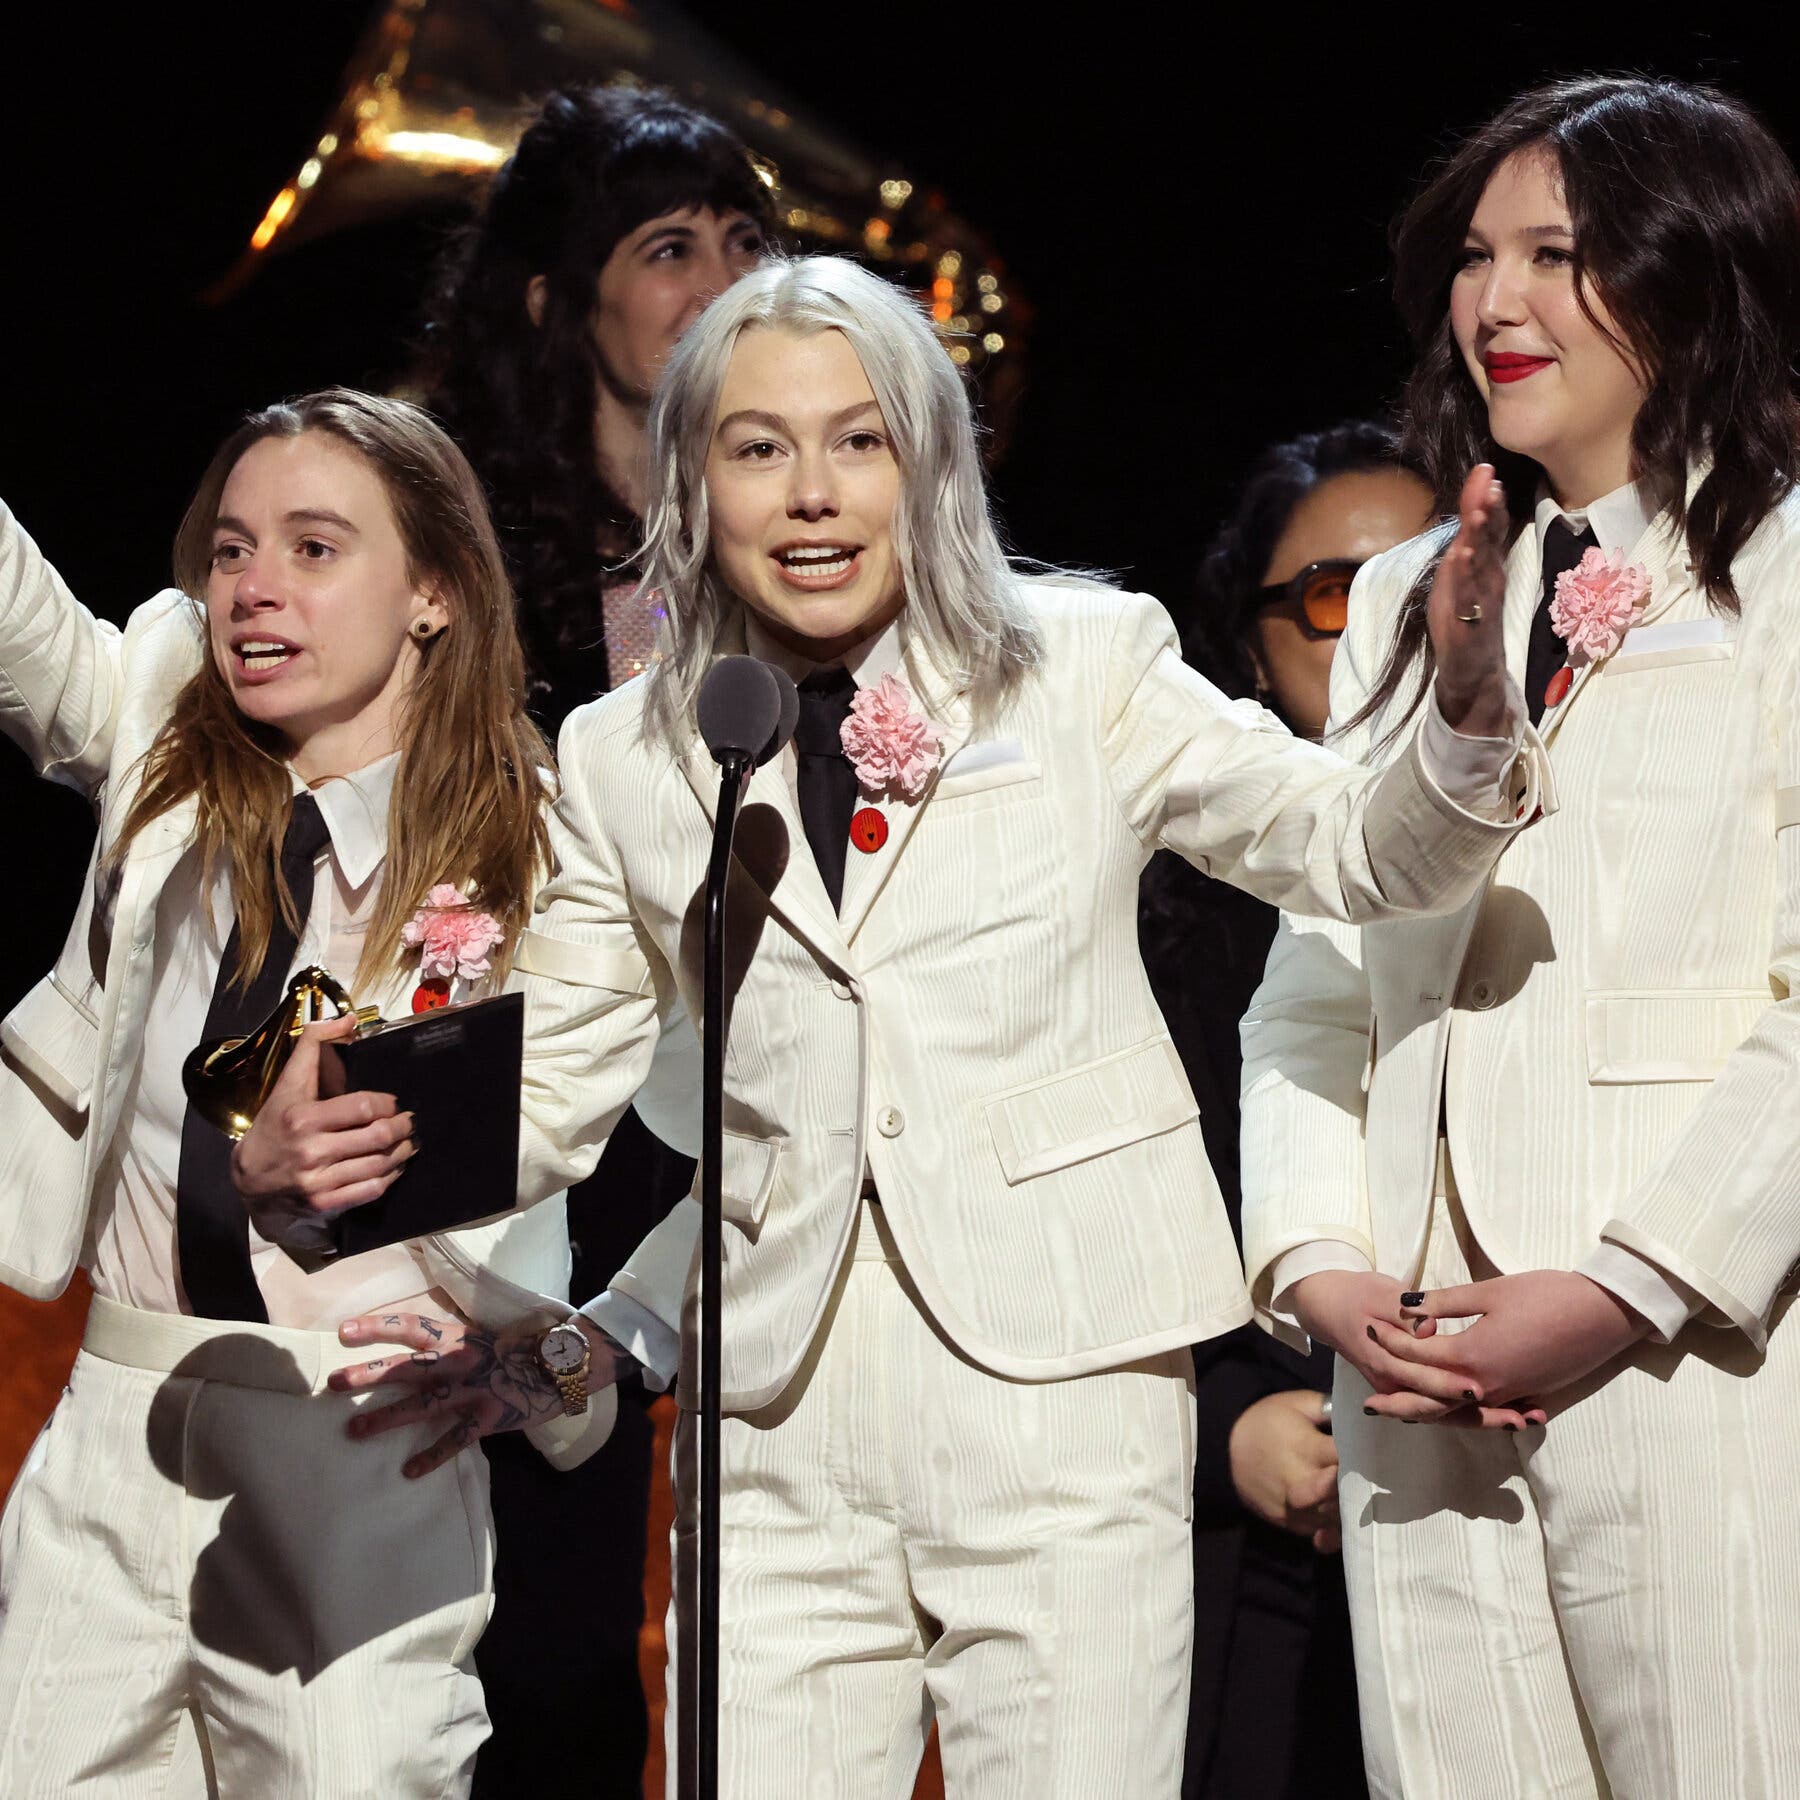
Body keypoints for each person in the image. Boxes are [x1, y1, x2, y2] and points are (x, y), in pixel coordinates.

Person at [251, 253, 1541, 1797]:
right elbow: (562, 1069)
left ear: (927, 462)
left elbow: (1354, 853)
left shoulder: (1082, 664)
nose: (811, 494)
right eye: (757, 447)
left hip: (1060, 1385)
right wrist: (338, 1146)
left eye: (858, 441)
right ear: (693, 481)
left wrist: (1465, 717)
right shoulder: (627, 755)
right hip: (772, 1417)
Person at [1238, 76, 1800, 1799]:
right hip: (1411, 1371)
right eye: (1478, 257)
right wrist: (1320, 1271)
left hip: (1692, 1356)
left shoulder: (1784, 562)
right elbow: (1312, 986)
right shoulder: (1414, 593)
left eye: (1560, 254)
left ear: (1696, 276)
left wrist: (1629, 1287)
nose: (1498, 304)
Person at [0, 389, 609, 1796]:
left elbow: (718, 1132)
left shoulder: (551, 853)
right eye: (229, 550)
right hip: (123, 1419)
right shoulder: (161, 736)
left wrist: (565, 1362)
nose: (253, 588)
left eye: (315, 548)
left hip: (361, 1455)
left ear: (436, 591)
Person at [417, 82, 775, 1792]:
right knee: (535, 1650)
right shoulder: (459, 559)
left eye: (742, 240)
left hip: (749, 1116)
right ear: (559, 304)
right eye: (667, 248)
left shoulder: (817, 533)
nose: (718, 279)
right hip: (535, 1137)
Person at [1139, 421, 1433, 1799]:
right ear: (1249, 647)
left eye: (1423, 585)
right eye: (1332, 594)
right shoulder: (1163, 920)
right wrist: (1228, 1434)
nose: (1380, 628)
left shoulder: (1559, 851)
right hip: (1251, 1528)